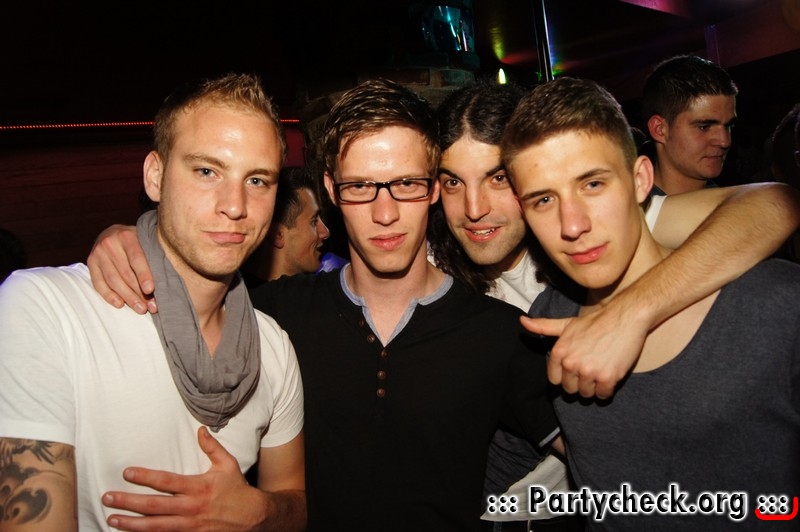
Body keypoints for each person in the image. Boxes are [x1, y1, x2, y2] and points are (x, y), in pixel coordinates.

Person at [85, 78, 563, 532]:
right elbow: (189, 276)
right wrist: (131, 238)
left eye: (406, 183)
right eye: (360, 187)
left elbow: (600, 459)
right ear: (332, 191)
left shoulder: (502, 333)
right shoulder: (273, 316)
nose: (385, 213)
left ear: (434, 188)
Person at [428, 79, 800, 531]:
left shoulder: (772, 303)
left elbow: (773, 202)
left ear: (641, 180)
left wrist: (629, 313)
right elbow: (516, 439)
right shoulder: (527, 313)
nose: (474, 208)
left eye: (592, 184)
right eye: (453, 181)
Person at [0, 73, 306, 531]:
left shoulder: (274, 347)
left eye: (257, 180)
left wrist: (259, 512)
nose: (235, 205)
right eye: (207, 171)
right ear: (155, 176)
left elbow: (294, 504)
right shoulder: (46, 309)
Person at [641, 54, 738, 195]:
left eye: (728, 126)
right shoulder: (628, 208)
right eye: (704, 127)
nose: (724, 141)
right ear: (659, 129)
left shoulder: (736, 203)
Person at [241, 165, 331, 286]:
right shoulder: (243, 296)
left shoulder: (318, 289)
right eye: (314, 221)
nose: (325, 232)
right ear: (277, 235)